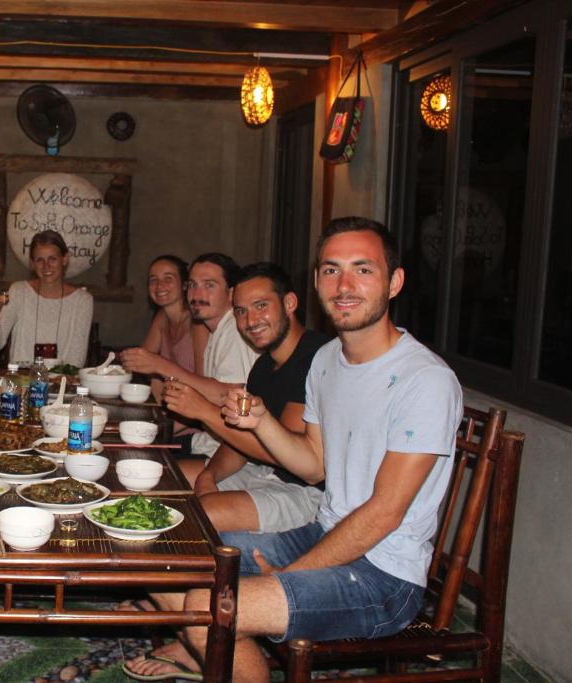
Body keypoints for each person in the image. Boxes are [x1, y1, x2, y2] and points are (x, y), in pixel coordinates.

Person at [124, 218, 463, 682]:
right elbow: (312, 466)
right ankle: (233, 664)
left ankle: (223, 651)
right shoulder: (327, 360)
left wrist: (290, 574)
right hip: (324, 531)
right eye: (330, 270)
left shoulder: (425, 380)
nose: (344, 285)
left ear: (395, 282)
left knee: (207, 607)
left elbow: (385, 513)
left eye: (362, 270)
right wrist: (262, 421)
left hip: (384, 573)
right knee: (163, 552)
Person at [176, 262, 328, 533]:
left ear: (290, 303)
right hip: (259, 473)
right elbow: (239, 444)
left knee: (199, 517)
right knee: (166, 478)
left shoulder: (317, 358)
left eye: (261, 306)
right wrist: (208, 476)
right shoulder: (263, 365)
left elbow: (285, 454)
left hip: (307, 491)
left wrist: (204, 411)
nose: (250, 321)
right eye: (241, 311)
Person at [122, 253, 259, 474]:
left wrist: (160, 365)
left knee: (143, 470)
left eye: (209, 285)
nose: (198, 294)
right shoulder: (216, 331)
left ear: (232, 293)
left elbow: (233, 396)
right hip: (208, 442)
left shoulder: (234, 331)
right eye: (193, 285)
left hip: (234, 457)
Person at [0, 230, 94, 366]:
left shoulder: (82, 301)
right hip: (21, 381)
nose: (46, 266)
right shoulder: (19, 291)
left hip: (62, 383)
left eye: (52, 259)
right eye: (39, 260)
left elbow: (76, 360)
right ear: (32, 264)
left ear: (65, 259)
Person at [125, 255, 209, 404]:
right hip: (170, 409)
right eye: (153, 280)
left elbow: (203, 385)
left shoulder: (197, 323)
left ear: (184, 285)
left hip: (194, 412)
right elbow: (142, 362)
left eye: (168, 279)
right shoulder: (162, 316)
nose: (159, 286)